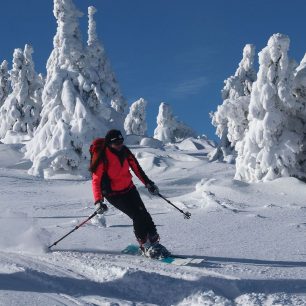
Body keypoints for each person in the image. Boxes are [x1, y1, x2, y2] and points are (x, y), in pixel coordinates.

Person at [91, 129, 170, 258]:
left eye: (121, 141)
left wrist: (148, 183)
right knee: (137, 216)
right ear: (109, 144)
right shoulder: (102, 157)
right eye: (116, 143)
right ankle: (145, 245)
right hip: (113, 194)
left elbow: (137, 169)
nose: (119, 145)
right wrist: (98, 201)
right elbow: (96, 181)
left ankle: (154, 242)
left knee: (144, 213)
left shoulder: (125, 151)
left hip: (129, 189)